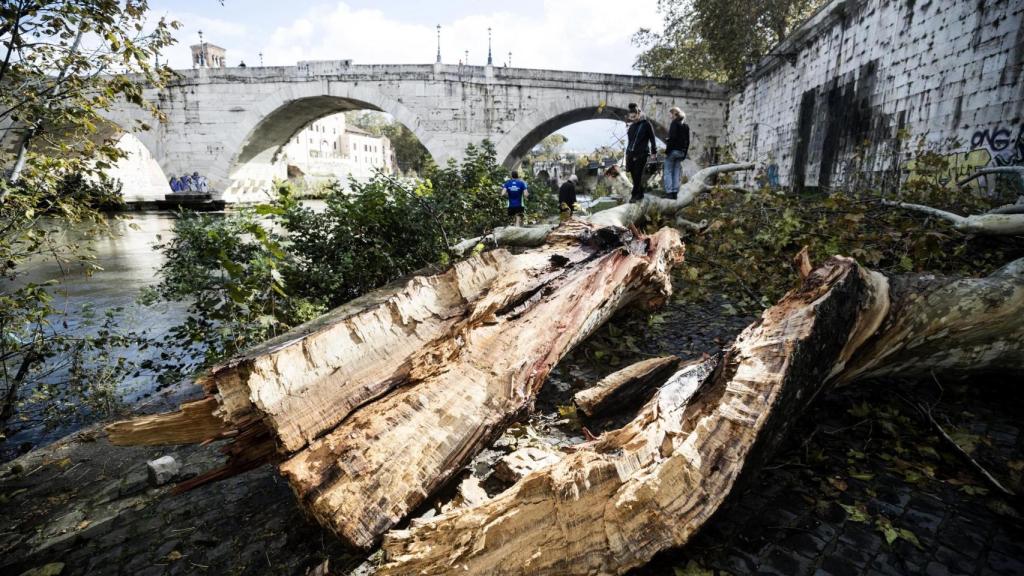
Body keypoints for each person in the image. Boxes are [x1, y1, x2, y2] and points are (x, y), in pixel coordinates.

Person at [624, 103, 657, 203]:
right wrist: (627, 155)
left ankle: (634, 195)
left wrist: (654, 152)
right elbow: (630, 142)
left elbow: (652, 139)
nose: (633, 119)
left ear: (639, 114)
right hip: (630, 154)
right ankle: (640, 193)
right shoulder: (632, 127)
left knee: (638, 174)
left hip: (642, 154)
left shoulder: (646, 124)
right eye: (631, 117)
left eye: (634, 117)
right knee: (634, 176)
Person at [663, 107, 690, 200]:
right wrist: (685, 153)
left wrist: (667, 151)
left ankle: (669, 193)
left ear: (675, 114)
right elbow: (687, 141)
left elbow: (673, 138)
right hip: (681, 152)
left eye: (671, 114)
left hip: (673, 151)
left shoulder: (674, 123)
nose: (671, 116)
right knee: (676, 171)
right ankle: (675, 193)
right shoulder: (686, 126)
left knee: (668, 171)